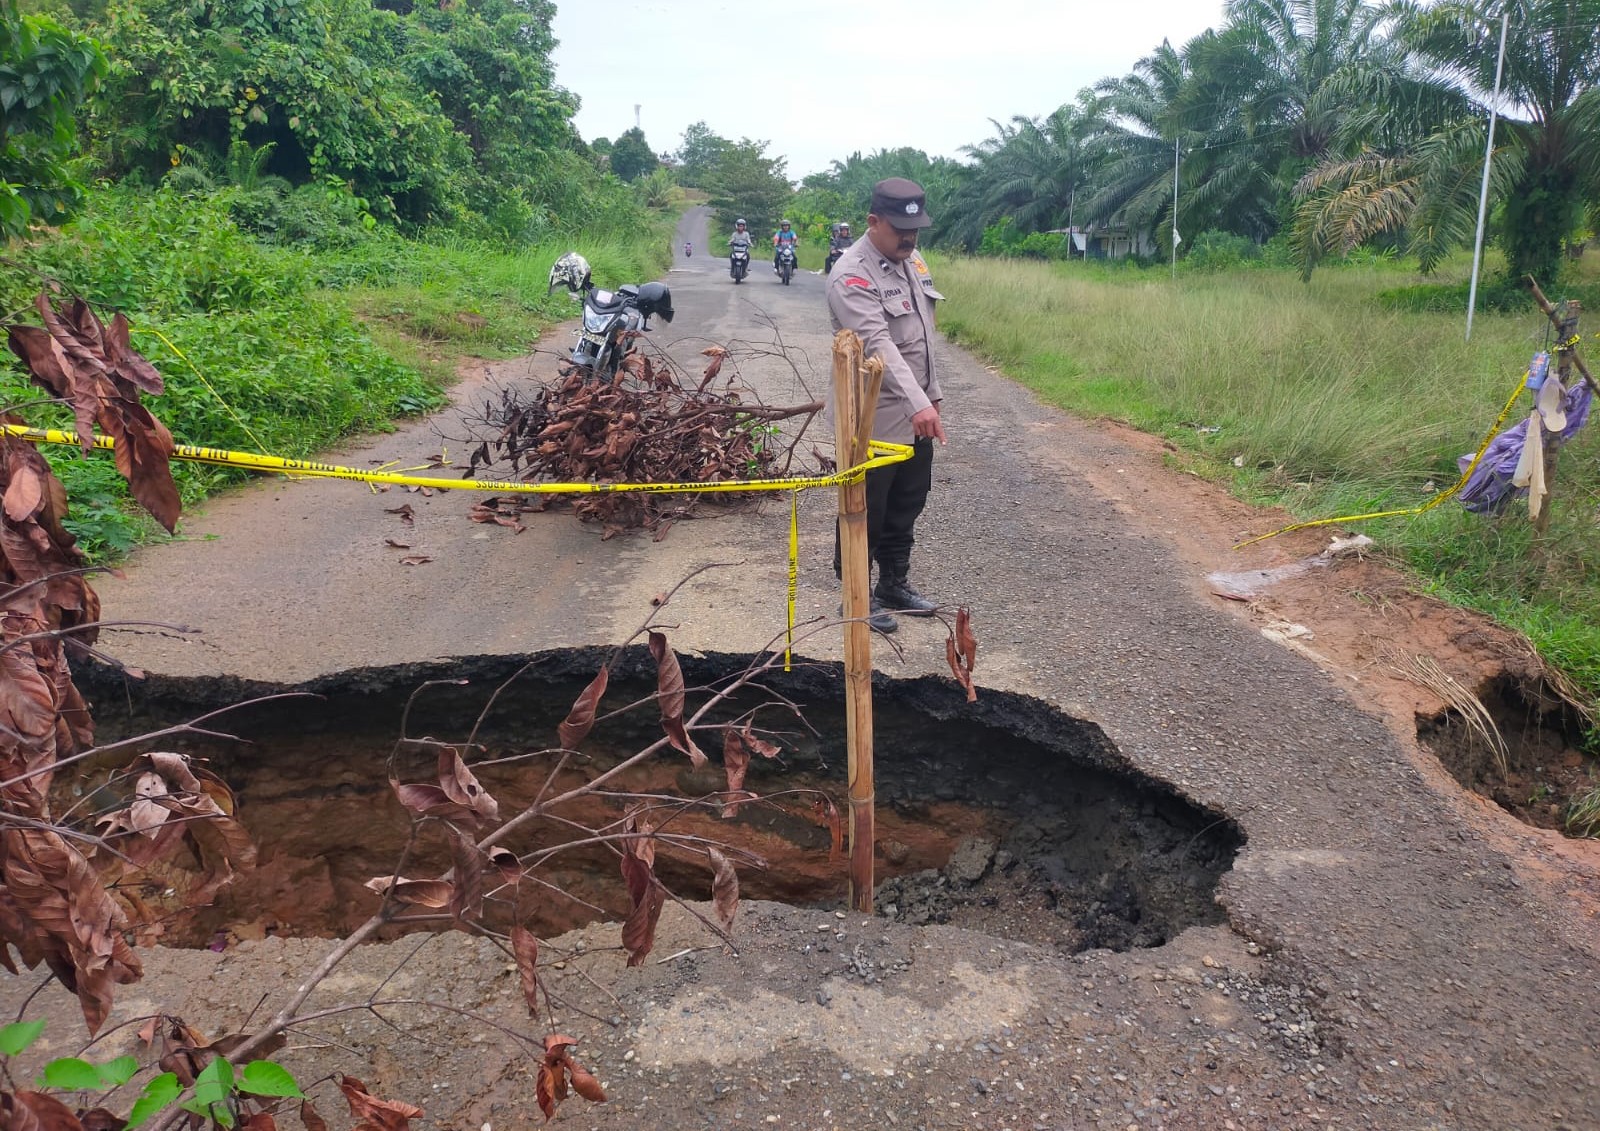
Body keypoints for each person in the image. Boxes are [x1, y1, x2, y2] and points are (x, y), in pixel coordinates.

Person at [824, 178, 945, 634]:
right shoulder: (852, 274)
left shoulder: (911, 259)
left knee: (908, 501)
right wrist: (920, 403)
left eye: (916, 229)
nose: (909, 238)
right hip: (870, 418)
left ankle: (894, 583)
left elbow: (923, 339)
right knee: (865, 507)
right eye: (899, 229)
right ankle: (854, 595)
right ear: (873, 222)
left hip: (915, 413)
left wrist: (932, 398)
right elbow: (879, 345)